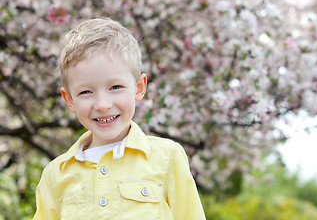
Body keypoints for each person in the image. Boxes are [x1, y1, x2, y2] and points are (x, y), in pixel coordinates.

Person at [33, 17, 206, 220]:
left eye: (115, 87)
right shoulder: (55, 175)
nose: (103, 104)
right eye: (86, 92)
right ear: (69, 100)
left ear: (139, 87)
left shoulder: (167, 158)